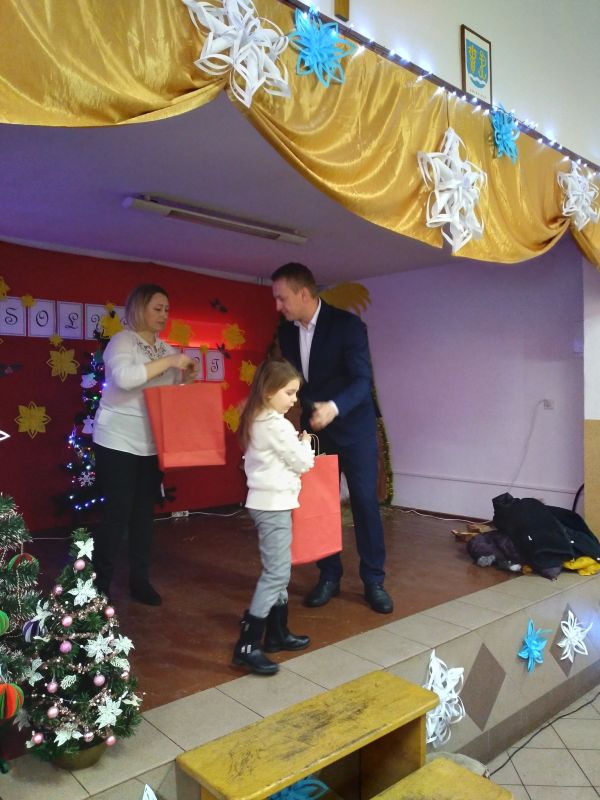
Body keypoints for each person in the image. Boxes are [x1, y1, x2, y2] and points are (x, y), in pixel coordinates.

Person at [271, 263, 393, 614]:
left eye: (282, 298)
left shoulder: (347, 326)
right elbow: (296, 380)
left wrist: (334, 408)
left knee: (365, 504)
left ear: (303, 293)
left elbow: (361, 380)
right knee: (320, 506)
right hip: (317, 432)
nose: (278, 306)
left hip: (354, 429)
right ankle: (329, 576)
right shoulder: (286, 332)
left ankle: (374, 581)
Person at [92, 283, 195, 605]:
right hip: (117, 440)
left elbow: (170, 392)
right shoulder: (122, 341)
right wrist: (171, 363)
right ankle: (98, 587)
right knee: (116, 514)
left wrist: (186, 377)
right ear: (139, 308)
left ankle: (140, 581)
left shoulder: (166, 349)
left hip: (151, 442)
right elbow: (124, 379)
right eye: (157, 308)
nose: (163, 315)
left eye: (166, 310)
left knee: (142, 516)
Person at [233, 358, 315, 675]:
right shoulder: (276, 425)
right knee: (277, 574)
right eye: (289, 393)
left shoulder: (258, 418)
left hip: (269, 503)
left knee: (277, 568)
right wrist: (305, 443)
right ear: (269, 392)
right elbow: (303, 463)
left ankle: (277, 633)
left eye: (296, 393)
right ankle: (247, 645)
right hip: (273, 505)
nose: (295, 400)